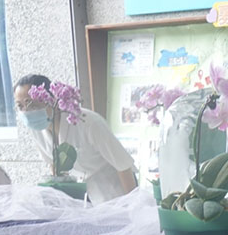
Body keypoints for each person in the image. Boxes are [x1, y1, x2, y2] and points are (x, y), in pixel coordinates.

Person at [14, 74, 137, 204]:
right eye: (20, 106)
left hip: (116, 190)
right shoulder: (36, 129)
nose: (26, 111)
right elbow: (53, 165)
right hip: (86, 193)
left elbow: (123, 165)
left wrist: (133, 205)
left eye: (31, 104)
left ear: (51, 99)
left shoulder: (88, 123)